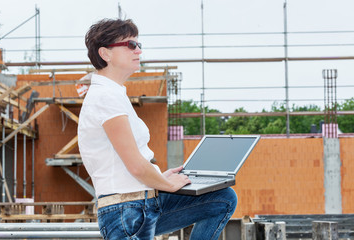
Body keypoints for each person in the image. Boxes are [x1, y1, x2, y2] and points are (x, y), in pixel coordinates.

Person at [78, 18, 237, 240]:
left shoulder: (114, 94)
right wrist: (166, 184)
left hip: (142, 203)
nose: (139, 51)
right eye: (131, 45)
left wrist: (158, 178)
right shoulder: (105, 97)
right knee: (223, 198)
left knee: (223, 198)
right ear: (105, 54)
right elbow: (135, 166)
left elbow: (131, 164)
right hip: (126, 211)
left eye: (139, 45)